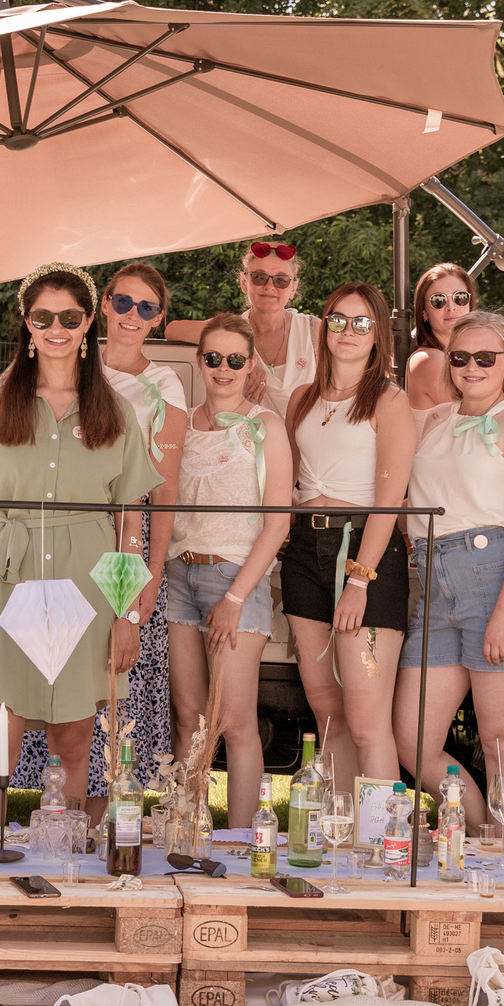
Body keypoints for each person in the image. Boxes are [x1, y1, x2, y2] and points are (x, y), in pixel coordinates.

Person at [0, 267, 161, 810]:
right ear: (27, 323)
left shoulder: (117, 411)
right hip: (5, 583)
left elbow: (130, 524)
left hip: (87, 588)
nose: (56, 328)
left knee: (73, 747)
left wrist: (128, 613)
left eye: (69, 317)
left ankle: (66, 858)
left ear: (88, 323)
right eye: (43, 317)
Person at [17, 264, 188, 794]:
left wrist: (150, 573)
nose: (132, 315)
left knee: (114, 678)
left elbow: (163, 489)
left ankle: (107, 815)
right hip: (57, 532)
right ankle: (57, 805)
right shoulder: (65, 360)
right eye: (123, 302)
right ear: (102, 307)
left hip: (126, 537)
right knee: (59, 668)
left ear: (159, 318)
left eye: (146, 307)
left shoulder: (163, 385)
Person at [395, 311, 504, 821]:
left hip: (497, 577)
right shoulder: (438, 420)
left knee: (500, 740)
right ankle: (482, 831)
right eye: (461, 357)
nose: (472, 367)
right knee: (413, 740)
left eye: (485, 357)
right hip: (435, 582)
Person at [281, 282, 417, 788]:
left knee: (365, 723)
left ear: (378, 334)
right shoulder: (301, 398)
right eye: (338, 319)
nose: (348, 331)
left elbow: (389, 501)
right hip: (303, 552)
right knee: (329, 716)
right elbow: (288, 482)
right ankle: (342, 829)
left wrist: (359, 580)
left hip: (366, 554)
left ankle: (384, 833)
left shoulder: (389, 400)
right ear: (324, 327)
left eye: (362, 323)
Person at [164, 313, 290, 827]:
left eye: (235, 360)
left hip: (235, 579)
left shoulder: (265, 427)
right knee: (189, 720)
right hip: (178, 576)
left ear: (251, 364)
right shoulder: (180, 424)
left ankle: (239, 844)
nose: (223, 368)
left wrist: (235, 598)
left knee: (235, 723)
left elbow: (278, 523)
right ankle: (185, 831)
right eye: (213, 357)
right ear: (199, 361)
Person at [165, 241, 322, 405]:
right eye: (259, 277)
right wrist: (246, 354)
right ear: (244, 283)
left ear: (293, 289)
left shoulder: (312, 330)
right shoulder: (233, 328)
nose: (270, 286)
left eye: (281, 280)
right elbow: (173, 330)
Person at [402, 263, 476, 409]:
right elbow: (475, 415)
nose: (451, 307)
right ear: (424, 312)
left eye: (460, 297)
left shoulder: (464, 357)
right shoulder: (429, 360)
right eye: (438, 300)